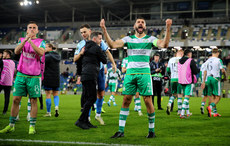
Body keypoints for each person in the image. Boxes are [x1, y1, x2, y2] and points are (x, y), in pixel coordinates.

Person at [100, 17, 172, 138]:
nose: (140, 24)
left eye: (142, 22)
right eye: (138, 22)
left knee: (148, 101)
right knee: (126, 100)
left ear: (145, 27)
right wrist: (104, 30)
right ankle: (121, 131)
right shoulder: (128, 39)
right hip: (130, 73)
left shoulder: (150, 39)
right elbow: (112, 45)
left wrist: (168, 28)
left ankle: (151, 131)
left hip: (144, 73)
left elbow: (164, 44)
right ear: (134, 26)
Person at [0, 21, 45, 134]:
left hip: (34, 76)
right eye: (30, 28)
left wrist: (31, 42)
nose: (32, 29)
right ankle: (11, 125)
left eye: (34, 28)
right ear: (27, 29)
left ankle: (32, 127)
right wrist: (25, 40)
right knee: (15, 99)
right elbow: (16, 51)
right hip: (21, 74)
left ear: (37, 30)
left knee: (33, 100)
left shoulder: (41, 42)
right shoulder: (21, 40)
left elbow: (41, 53)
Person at [74, 24, 116, 125]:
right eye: (81, 33)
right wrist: (81, 53)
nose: (83, 34)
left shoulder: (99, 41)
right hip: (89, 72)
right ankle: (86, 118)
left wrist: (114, 64)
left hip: (99, 71)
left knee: (101, 93)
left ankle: (98, 115)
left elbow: (108, 52)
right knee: (89, 96)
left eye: (84, 32)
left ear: (90, 31)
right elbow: (75, 59)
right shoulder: (80, 44)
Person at [75, 31, 107, 129]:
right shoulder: (97, 48)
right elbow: (105, 60)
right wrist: (101, 51)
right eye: (100, 39)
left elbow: (79, 62)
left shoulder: (84, 48)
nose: (101, 41)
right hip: (91, 74)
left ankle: (85, 121)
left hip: (84, 75)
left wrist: (79, 75)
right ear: (94, 39)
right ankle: (81, 120)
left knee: (89, 98)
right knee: (92, 98)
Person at [201, 48, 227, 117]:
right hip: (215, 79)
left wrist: (203, 81)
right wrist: (225, 77)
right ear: (217, 53)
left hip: (208, 79)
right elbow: (223, 70)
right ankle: (210, 107)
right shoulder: (218, 60)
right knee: (218, 97)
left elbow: (205, 71)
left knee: (212, 96)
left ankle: (215, 112)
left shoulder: (207, 61)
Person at [178, 49, 199, 119]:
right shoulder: (190, 60)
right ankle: (182, 113)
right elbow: (195, 71)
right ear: (189, 54)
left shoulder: (179, 61)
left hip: (181, 81)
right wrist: (198, 69)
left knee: (185, 97)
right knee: (187, 97)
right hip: (188, 80)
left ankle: (187, 113)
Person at [43, 43, 61, 117]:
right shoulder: (58, 56)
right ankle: (56, 106)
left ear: (50, 48)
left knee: (48, 95)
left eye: (46, 47)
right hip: (56, 77)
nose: (44, 49)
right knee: (56, 94)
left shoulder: (47, 56)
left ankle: (48, 112)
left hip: (48, 77)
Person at [166, 49, 184, 115]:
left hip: (173, 79)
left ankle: (169, 103)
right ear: (181, 54)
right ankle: (179, 111)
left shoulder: (171, 60)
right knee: (180, 94)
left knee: (173, 94)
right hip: (180, 79)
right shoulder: (183, 59)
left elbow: (168, 70)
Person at [0, 50, 15, 115]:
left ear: (8, 55)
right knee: (7, 96)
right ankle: (4, 111)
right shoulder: (13, 62)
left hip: (2, 81)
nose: (3, 54)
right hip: (9, 82)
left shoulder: (3, 61)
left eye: (4, 54)